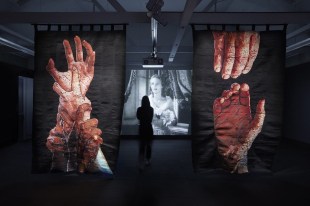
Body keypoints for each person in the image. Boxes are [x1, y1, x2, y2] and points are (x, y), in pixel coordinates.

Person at [136, 96, 154, 171]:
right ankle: (148, 160)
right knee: (148, 145)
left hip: (142, 128)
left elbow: (138, 117)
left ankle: (141, 163)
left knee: (142, 145)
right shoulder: (151, 109)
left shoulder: (139, 109)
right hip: (149, 128)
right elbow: (151, 118)